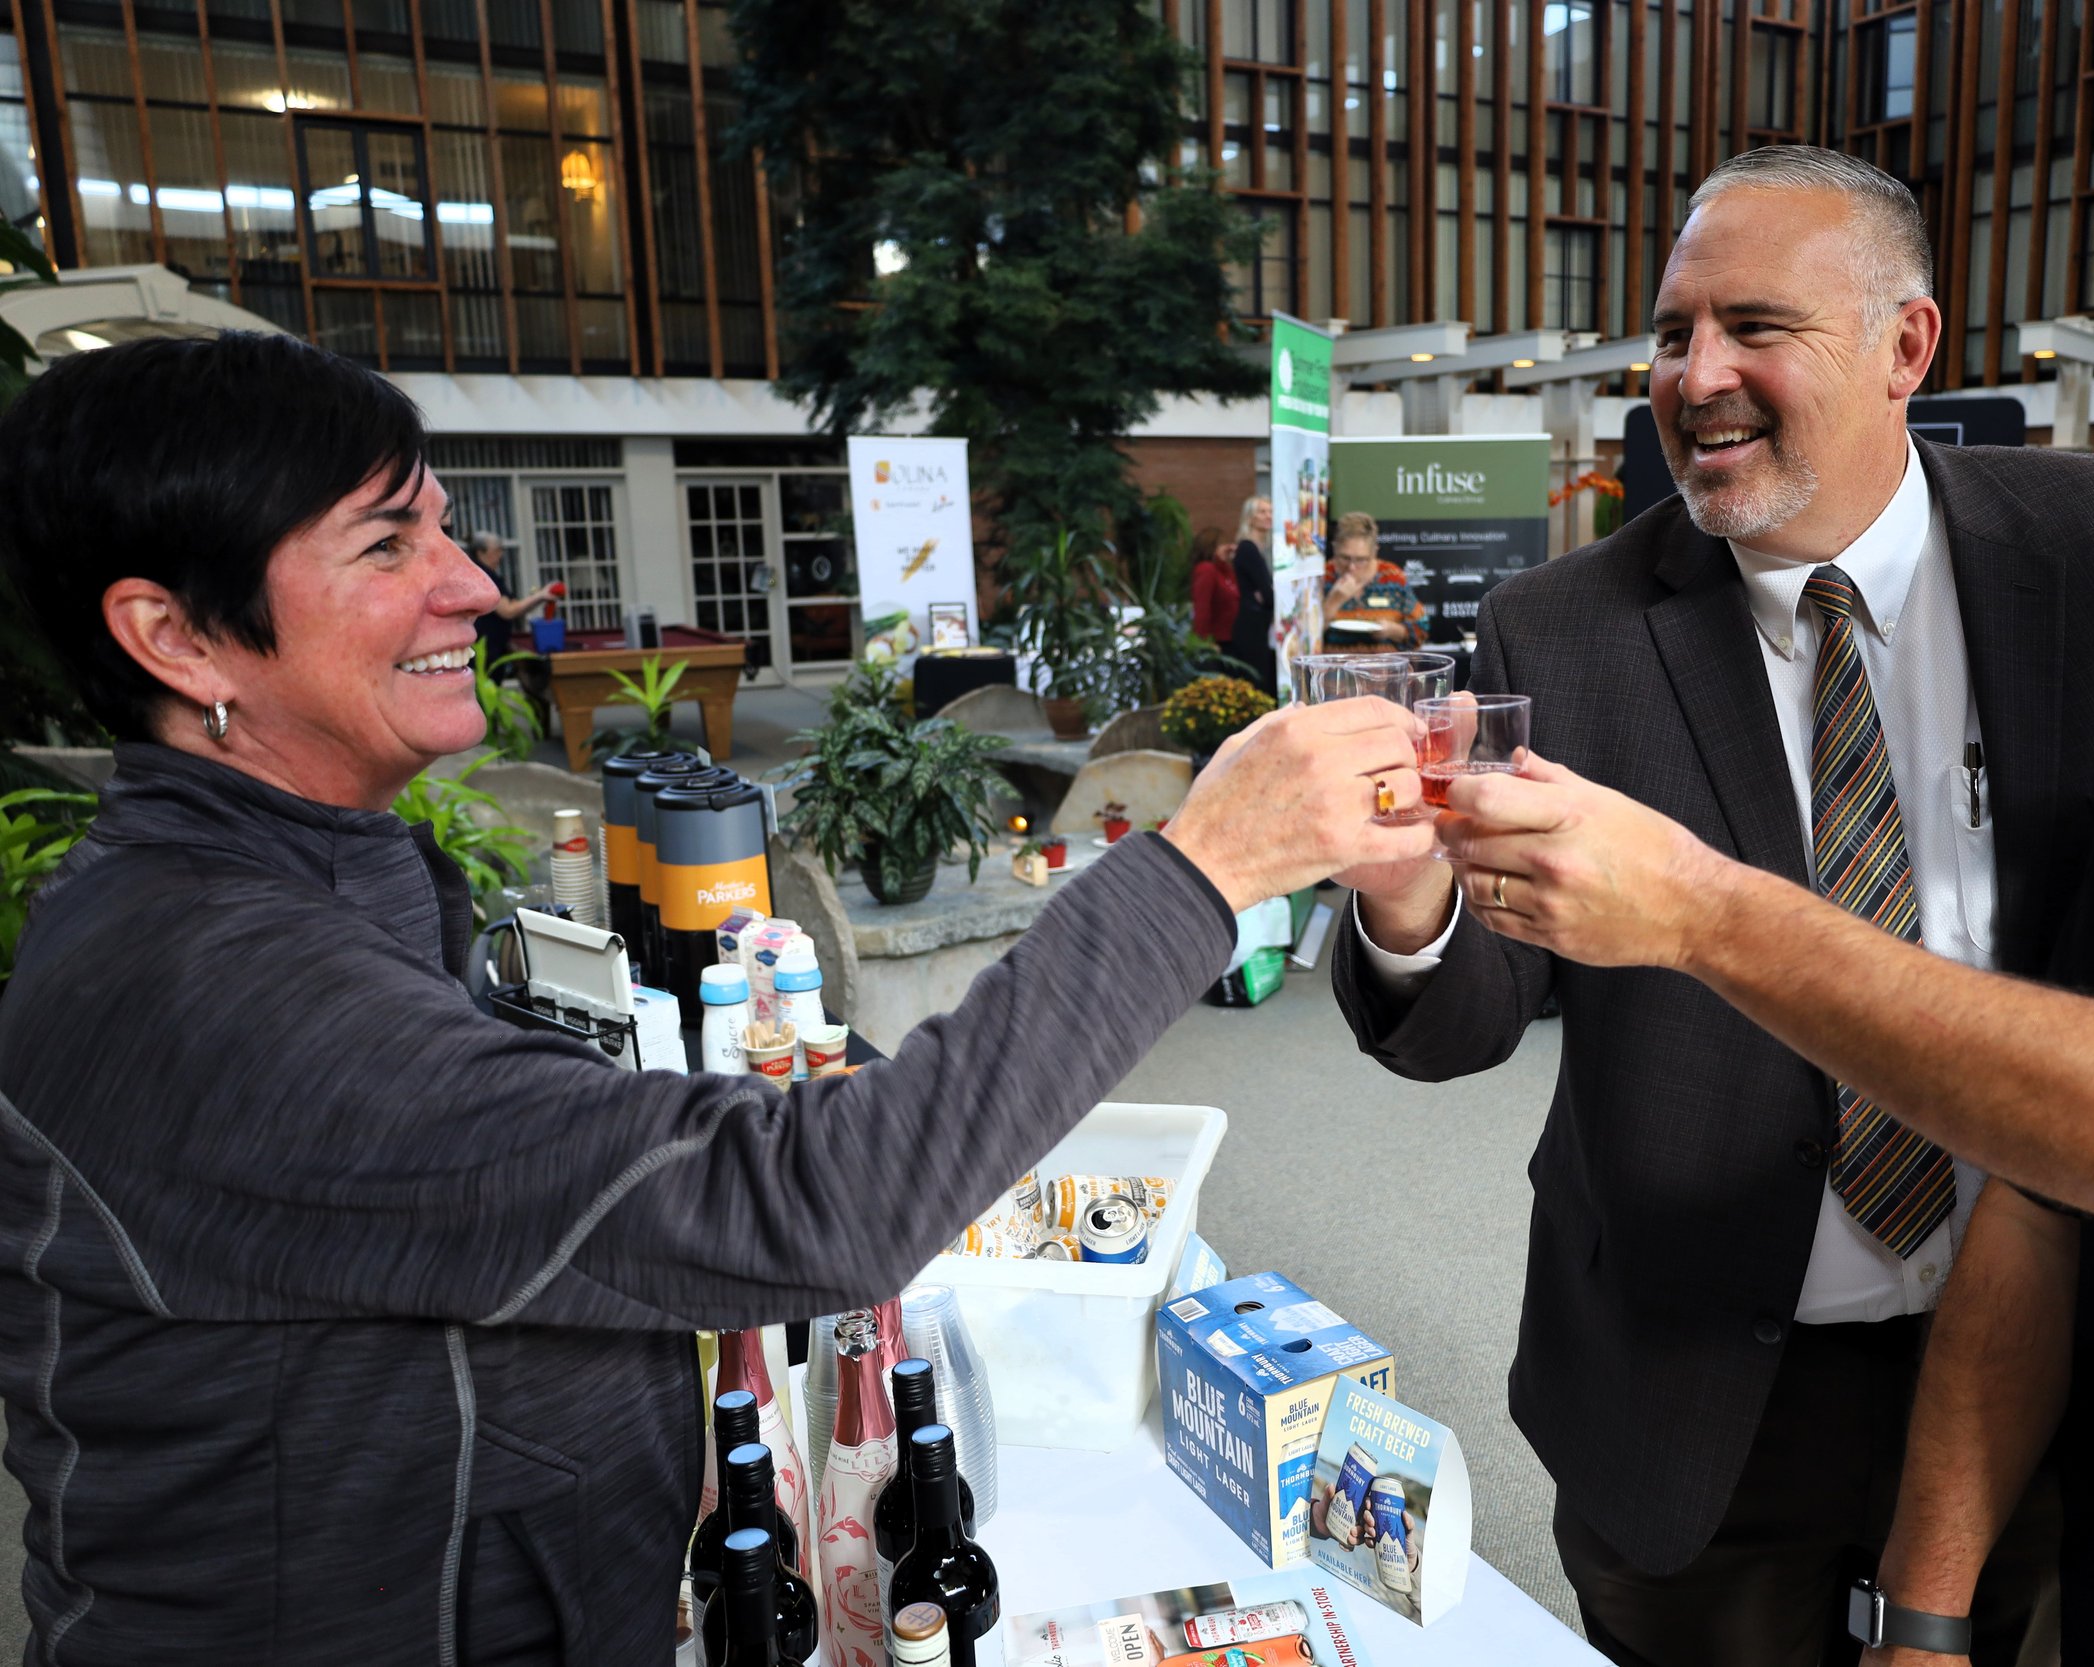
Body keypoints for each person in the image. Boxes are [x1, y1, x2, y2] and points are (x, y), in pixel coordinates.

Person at [0, 331, 1436, 1664]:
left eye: (444, 524)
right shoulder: (212, 985)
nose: (476, 585)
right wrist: (1208, 865)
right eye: (390, 543)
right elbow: (820, 1209)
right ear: (177, 638)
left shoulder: (293, 884)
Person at [1429, 174, 2094, 1667]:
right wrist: (1410, 903)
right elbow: (2054, 1195)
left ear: (1906, 344)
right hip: (1725, 1402)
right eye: (1672, 332)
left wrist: (1702, 913)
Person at [1321, 512, 1429, 649]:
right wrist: (1333, 602)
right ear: (1334, 548)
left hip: (1384, 666)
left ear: (1374, 552)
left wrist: (1394, 630)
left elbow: (1421, 629)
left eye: (1360, 559)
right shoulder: (1322, 577)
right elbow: (1305, 637)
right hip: (1335, 666)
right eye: (1344, 558)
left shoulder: (1392, 577)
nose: (1351, 567)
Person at [468, 528, 558, 672]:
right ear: (481, 553)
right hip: (485, 653)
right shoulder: (481, 574)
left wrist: (541, 596)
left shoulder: (488, 573)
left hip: (494, 649)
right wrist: (540, 596)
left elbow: (514, 606)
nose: (500, 555)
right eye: (497, 550)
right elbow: (507, 611)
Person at [1228, 494, 1277, 693]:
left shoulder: (1259, 548)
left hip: (1258, 623)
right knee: (1258, 681)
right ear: (1250, 517)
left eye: (1270, 511)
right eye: (1262, 511)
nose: (1268, 516)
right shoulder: (1248, 548)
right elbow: (1267, 594)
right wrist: (1268, 594)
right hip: (1252, 626)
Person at [1190, 523, 1240, 649]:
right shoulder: (1206, 570)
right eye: (1222, 545)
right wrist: (1205, 641)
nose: (1227, 548)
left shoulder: (1225, 571)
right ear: (1211, 547)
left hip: (1232, 637)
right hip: (1217, 641)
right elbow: (1202, 607)